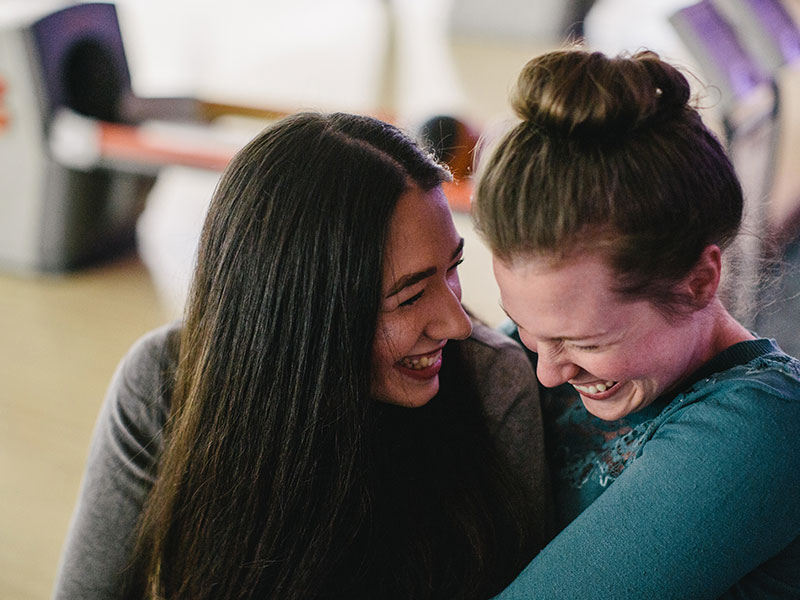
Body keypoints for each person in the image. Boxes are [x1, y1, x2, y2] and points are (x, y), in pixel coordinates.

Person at [52, 112, 552, 600]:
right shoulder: (162, 381)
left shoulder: (493, 386)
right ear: (301, 311)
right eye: (410, 296)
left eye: (452, 268)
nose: (457, 323)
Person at [472, 48, 800, 598]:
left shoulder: (767, 426)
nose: (548, 372)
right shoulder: (538, 357)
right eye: (524, 327)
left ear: (698, 281)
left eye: (585, 342)